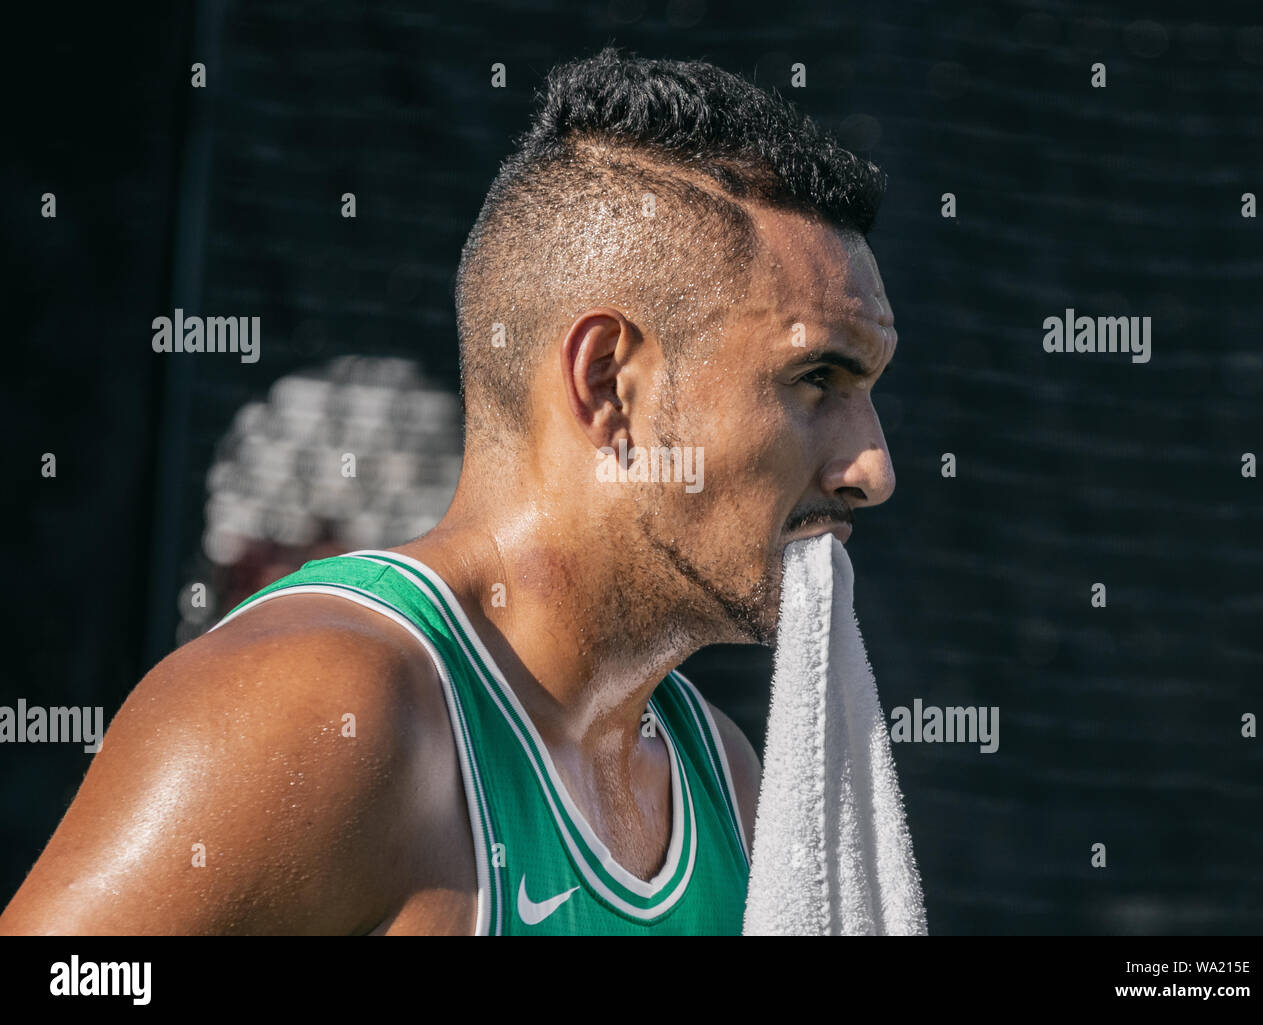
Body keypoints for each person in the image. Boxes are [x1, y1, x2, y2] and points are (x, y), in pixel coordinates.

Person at [0, 46, 897, 935]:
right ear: (608, 383)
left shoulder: (724, 783)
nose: (874, 468)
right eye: (817, 377)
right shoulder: (326, 710)